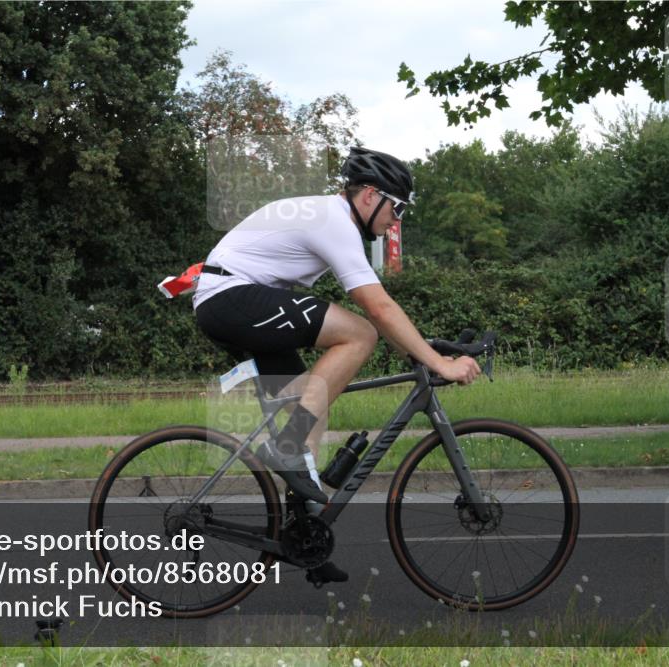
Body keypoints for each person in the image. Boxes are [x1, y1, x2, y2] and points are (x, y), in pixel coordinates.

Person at [192, 147, 481, 583]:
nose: (397, 220)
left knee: (311, 399)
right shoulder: (334, 220)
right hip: (230, 297)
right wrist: (439, 361)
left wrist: (421, 349)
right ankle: (287, 452)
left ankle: (303, 538)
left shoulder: (326, 216)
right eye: (396, 207)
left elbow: (386, 315)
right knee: (359, 333)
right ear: (369, 195)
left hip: (230, 300)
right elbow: (378, 310)